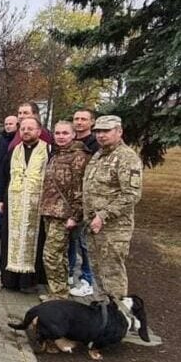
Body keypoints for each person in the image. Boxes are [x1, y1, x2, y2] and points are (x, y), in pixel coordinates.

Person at [83, 115, 142, 300]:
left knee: (112, 275)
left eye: (106, 131)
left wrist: (103, 216)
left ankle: (118, 317)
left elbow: (131, 194)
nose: (101, 135)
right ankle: (103, 314)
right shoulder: (99, 155)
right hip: (94, 227)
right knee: (98, 273)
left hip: (114, 230)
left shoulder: (126, 157)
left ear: (119, 131)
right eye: (98, 131)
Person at [38, 121, 91, 300]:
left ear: (73, 135)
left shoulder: (79, 157)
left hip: (65, 215)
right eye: (58, 133)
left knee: (51, 255)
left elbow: (80, 189)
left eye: (65, 133)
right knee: (59, 255)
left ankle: (59, 293)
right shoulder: (56, 154)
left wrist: (76, 216)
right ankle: (59, 292)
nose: (61, 136)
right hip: (50, 211)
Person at [0, 116, 50, 292]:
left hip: (36, 205)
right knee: (11, 240)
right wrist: (0, 200)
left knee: (34, 241)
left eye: (30, 128)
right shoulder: (14, 151)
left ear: (39, 131)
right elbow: (4, 175)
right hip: (14, 204)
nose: (26, 131)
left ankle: (28, 283)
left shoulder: (47, 150)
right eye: (23, 129)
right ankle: (10, 281)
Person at [67, 108, 100, 296]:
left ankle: (87, 279)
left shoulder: (95, 145)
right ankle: (70, 273)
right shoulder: (72, 142)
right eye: (76, 119)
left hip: (88, 201)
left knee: (84, 243)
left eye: (83, 119)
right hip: (72, 200)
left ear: (92, 122)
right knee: (71, 238)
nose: (79, 122)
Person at [0, 115, 18, 235]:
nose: (7, 126)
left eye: (10, 124)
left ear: (17, 125)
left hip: (13, 178)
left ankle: (7, 230)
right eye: (6, 124)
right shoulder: (1, 140)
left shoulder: (18, 140)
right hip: (0, 177)